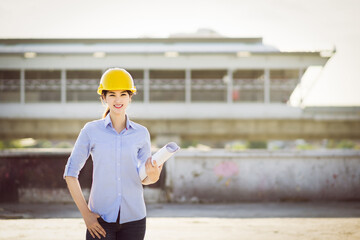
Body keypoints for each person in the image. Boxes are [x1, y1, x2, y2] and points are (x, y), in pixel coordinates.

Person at [63, 68, 163, 240]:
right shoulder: (91, 130)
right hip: (100, 218)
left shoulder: (141, 133)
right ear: (103, 97)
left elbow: (144, 177)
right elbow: (70, 173)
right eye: (112, 95)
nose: (118, 100)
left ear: (130, 97)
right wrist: (86, 215)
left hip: (135, 219)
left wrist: (153, 176)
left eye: (123, 94)